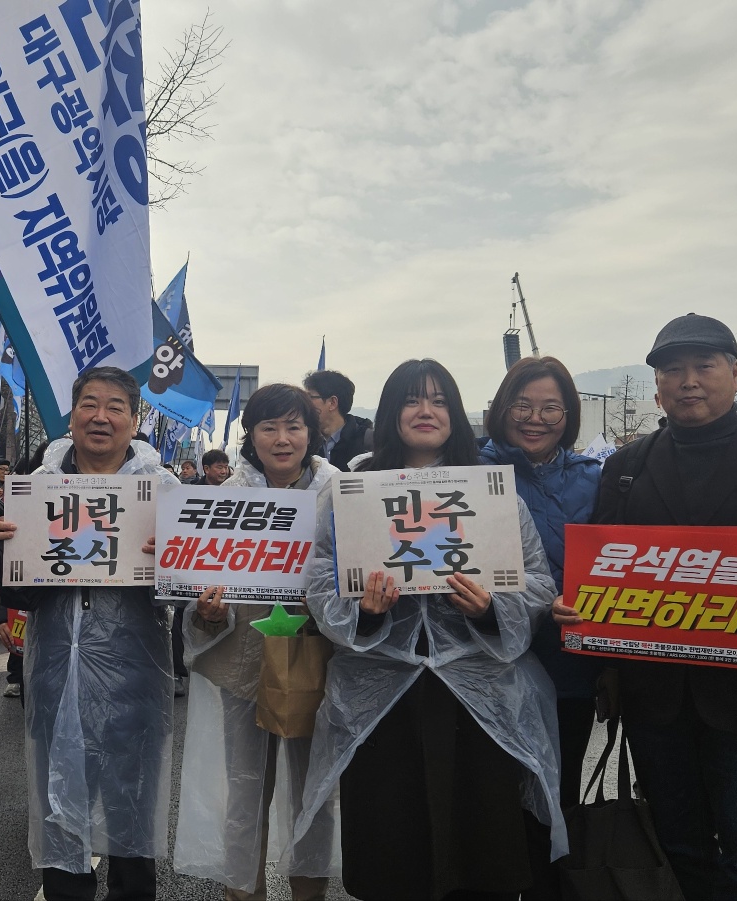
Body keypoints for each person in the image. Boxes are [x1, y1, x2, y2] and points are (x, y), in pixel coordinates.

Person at [553, 314, 737, 900]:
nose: (688, 381)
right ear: (657, 386)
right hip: (657, 703)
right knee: (678, 856)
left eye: (703, 366)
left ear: (735, 375)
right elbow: (602, 571)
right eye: (673, 370)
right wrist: (583, 613)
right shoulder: (627, 468)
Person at [295, 358, 565, 900]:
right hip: (382, 696)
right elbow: (322, 577)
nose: (426, 411)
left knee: (480, 839)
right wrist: (368, 612)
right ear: (391, 413)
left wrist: (488, 609)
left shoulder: (490, 491)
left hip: (476, 695)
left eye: (440, 401)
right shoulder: (354, 491)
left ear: (455, 414)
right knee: (392, 840)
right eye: (412, 400)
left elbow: (535, 580)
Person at [0, 367, 181, 901]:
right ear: (73, 415)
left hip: (135, 673)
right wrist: (5, 549)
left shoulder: (162, 491)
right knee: (60, 800)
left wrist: (171, 563)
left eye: (115, 407)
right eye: (89, 404)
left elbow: (182, 594)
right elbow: (18, 586)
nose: (101, 417)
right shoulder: (38, 485)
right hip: (55, 668)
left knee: (132, 804)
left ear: (134, 421)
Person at [175, 384, 339, 901]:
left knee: (315, 792)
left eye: (294, 426)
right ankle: (242, 893)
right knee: (245, 790)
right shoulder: (222, 499)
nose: (282, 439)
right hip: (244, 662)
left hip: (318, 660)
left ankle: (309, 891)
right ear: (251, 435)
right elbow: (198, 585)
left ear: (311, 433)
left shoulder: (341, 494)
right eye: (269, 427)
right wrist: (207, 611)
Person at [479, 356, 603, 892]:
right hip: (485, 666)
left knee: (557, 797)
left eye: (551, 407)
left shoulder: (596, 479)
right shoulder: (467, 472)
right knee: (488, 803)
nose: (535, 418)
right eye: (522, 405)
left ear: (569, 415)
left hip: (568, 664)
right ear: (501, 409)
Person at [303, 370, 373, 472]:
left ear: (332, 403)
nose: (304, 403)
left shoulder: (369, 444)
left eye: (309, 397)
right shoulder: (305, 442)